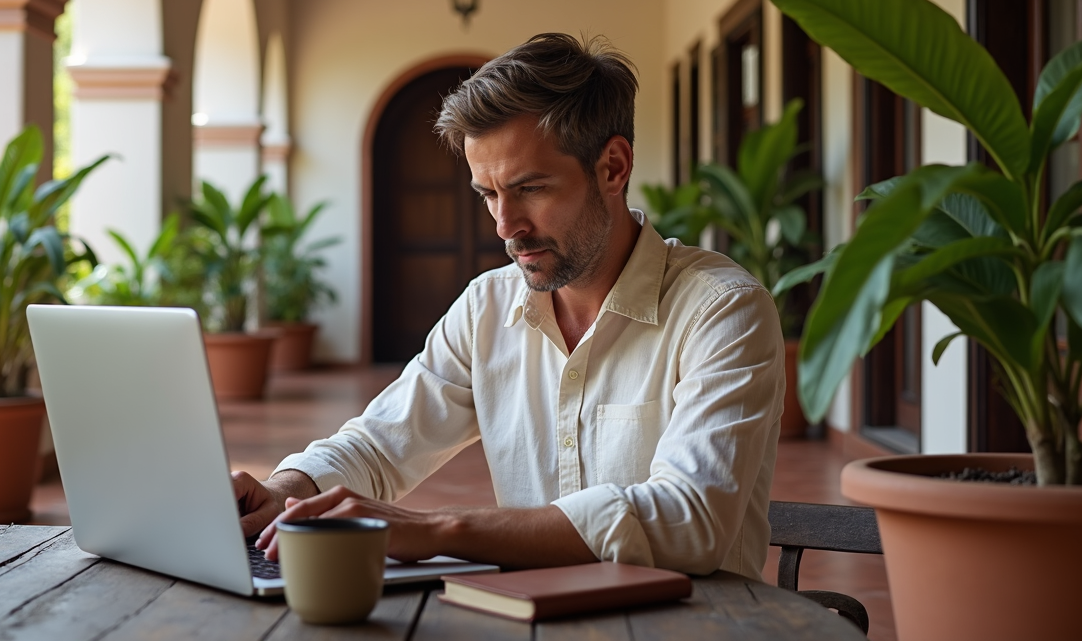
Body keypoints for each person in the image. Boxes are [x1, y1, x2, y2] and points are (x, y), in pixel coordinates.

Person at [231, 32, 784, 579]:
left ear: (613, 167)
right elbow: (381, 442)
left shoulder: (723, 311)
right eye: (488, 194)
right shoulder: (487, 308)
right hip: (533, 618)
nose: (505, 226)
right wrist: (287, 492)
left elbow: (690, 520)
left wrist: (440, 530)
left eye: (532, 188)